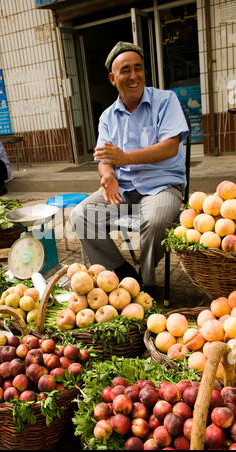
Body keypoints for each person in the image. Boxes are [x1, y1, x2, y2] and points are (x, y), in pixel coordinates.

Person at [69, 41, 189, 295]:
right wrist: (108, 176)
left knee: (155, 221)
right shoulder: (107, 116)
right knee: (81, 216)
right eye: (125, 70)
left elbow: (170, 147)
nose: (134, 76)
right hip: (123, 188)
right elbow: (105, 158)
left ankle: (146, 282)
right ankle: (123, 273)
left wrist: (124, 159)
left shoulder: (166, 100)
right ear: (113, 79)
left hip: (163, 185)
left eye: (138, 68)